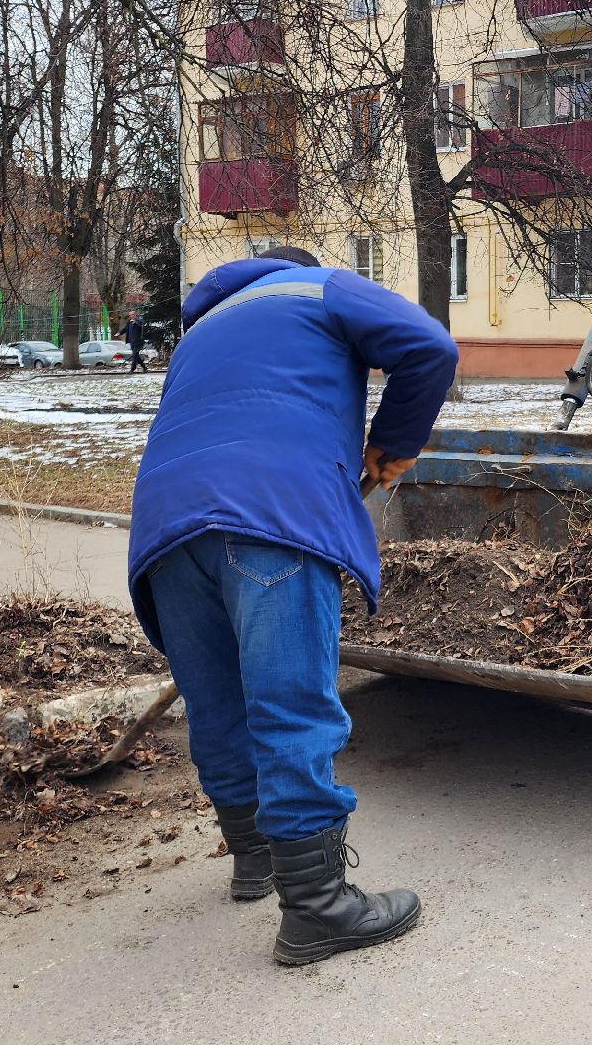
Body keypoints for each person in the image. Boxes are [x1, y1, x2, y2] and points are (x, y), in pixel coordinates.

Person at [126, 245, 458, 965]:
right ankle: (317, 908)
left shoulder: (206, 326)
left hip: (162, 525)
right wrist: (393, 444)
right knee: (290, 704)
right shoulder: (319, 286)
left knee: (218, 702)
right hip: (271, 509)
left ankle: (255, 861)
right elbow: (430, 346)